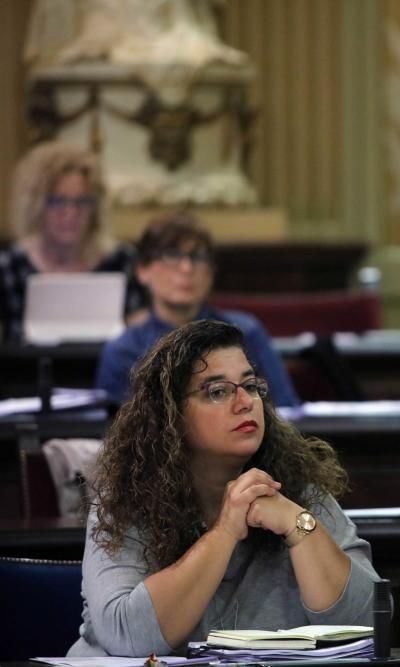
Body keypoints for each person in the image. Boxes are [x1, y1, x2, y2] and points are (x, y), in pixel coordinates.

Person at [70, 319, 379, 656]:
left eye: (250, 385)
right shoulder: (123, 501)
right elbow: (128, 637)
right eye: (218, 392)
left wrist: (298, 524)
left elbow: (369, 622)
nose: (245, 401)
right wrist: (225, 532)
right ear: (171, 416)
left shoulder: (295, 487)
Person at [95, 212, 300, 407]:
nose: (186, 268)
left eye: (198, 256)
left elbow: (286, 412)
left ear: (211, 272)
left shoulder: (245, 332)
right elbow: (112, 434)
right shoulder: (124, 350)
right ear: (143, 270)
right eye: (172, 255)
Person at [0, 141, 146, 342]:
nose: (70, 213)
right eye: (58, 202)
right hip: (28, 372)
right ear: (35, 206)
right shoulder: (10, 265)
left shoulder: (121, 260)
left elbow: (139, 339)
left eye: (81, 202)